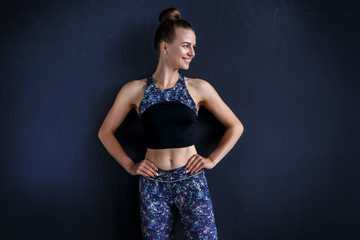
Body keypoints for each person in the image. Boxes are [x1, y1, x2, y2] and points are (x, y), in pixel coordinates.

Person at [98, 7, 244, 240]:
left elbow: (236, 126)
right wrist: (129, 165)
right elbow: (105, 132)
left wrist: (212, 159)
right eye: (186, 45)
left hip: (191, 181)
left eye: (194, 46)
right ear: (165, 46)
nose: (192, 53)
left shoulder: (198, 87)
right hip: (153, 186)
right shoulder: (135, 90)